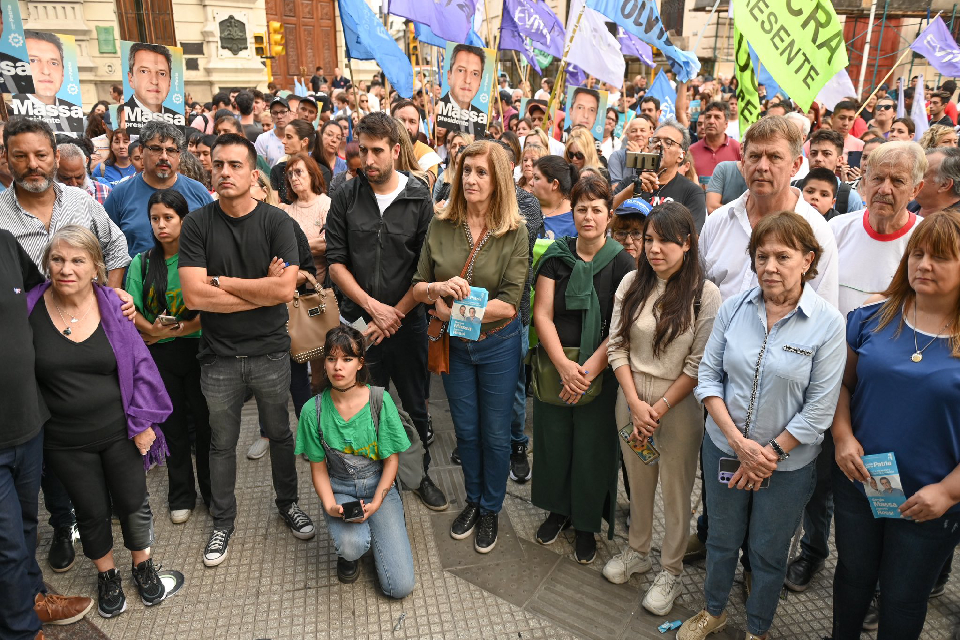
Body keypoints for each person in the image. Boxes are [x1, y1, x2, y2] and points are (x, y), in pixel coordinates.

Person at [677, 212, 845, 640]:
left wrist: (768, 454)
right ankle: (713, 610)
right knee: (721, 538)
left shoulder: (828, 323)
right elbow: (708, 378)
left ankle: (758, 628)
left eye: (782, 256)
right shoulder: (733, 308)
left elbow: (819, 410)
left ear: (807, 260)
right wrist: (738, 443)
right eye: (761, 256)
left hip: (785, 466)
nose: (769, 266)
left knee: (768, 551)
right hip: (724, 448)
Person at [783, 142, 926, 596]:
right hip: (827, 381)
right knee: (821, 478)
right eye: (876, 178)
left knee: (882, 485)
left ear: (916, 188)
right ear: (861, 182)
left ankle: (878, 581)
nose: (884, 189)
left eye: (897, 181)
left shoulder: (924, 243)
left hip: (887, 393)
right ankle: (814, 550)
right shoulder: (836, 231)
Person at [178, 133, 316, 567]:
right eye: (218, 164)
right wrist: (262, 289)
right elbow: (194, 297)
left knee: (280, 434)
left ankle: (288, 504)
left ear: (253, 173)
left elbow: (284, 290)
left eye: (235, 165)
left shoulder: (276, 223)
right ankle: (223, 522)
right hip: (218, 358)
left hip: (271, 354)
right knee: (221, 443)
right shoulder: (197, 224)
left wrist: (221, 281)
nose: (224, 172)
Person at [28, 225, 175, 618]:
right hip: (64, 439)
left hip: (119, 430)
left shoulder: (113, 303)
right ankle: (107, 575)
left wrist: (143, 423)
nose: (66, 269)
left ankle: (143, 565)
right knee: (90, 510)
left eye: (78, 260)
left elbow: (140, 366)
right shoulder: (28, 309)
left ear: (96, 266)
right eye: (57, 259)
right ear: (47, 263)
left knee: (132, 501)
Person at [832, 210, 960, 639]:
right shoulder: (872, 317)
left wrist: (948, 492)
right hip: (861, 481)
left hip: (929, 501)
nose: (924, 265)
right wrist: (843, 437)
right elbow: (842, 386)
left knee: (904, 598)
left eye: (940, 257)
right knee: (852, 578)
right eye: (917, 254)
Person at [325, 112, 449, 511]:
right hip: (359, 323)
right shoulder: (346, 196)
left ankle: (419, 474)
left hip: (407, 323)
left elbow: (426, 269)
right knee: (364, 405)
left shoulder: (418, 197)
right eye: (363, 150)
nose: (369, 159)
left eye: (377, 151)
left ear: (396, 150)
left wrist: (394, 313)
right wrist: (372, 309)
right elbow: (336, 264)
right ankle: (373, 479)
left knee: (415, 404)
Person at [604, 202, 721, 615]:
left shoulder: (705, 294)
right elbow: (616, 346)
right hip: (630, 400)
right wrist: (635, 404)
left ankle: (670, 569)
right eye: (649, 239)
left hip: (679, 409)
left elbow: (699, 365)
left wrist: (658, 408)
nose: (653, 249)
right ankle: (637, 551)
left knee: (676, 492)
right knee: (637, 484)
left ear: (687, 243)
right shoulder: (632, 282)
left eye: (664, 241)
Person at [411, 140, 528, 553]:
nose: (471, 179)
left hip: (498, 345)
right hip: (457, 348)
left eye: (482, 172)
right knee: (466, 430)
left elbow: (509, 305)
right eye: (466, 171)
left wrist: (451, 312)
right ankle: (473, 500)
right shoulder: (441, 223)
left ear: (499, 180)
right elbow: (419, 285)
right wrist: (437, 290)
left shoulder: (514, 230)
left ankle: (491, 508)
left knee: (495, 434)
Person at [530, 176, 634, 564]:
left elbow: (622, 327)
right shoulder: (555, 256)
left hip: (601, 370)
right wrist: (563, 366)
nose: (588, 217)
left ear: (609, 214)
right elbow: (542, 314)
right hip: (555, 366)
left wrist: (586, 372)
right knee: (554, 441)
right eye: (581, 209)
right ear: (571, 212)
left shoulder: (623, 263)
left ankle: (587, 524)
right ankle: (558, 510)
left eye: (596, 209)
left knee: (593, 448)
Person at [0, 227, 96, 638]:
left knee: (25, 528)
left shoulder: (4, 242)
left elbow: (46, 292)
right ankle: (21, 630)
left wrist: (106, 300)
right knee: (6, 545)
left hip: (27, 421)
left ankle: (32, 598)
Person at [294, 325, 416, 594]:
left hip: (379, 485)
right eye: (331, 358)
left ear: (360, 363)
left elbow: (391, 462)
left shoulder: (380, 400)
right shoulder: (312, 411)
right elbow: (318, 469)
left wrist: (377, 503)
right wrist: (330, 505)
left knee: (400, 587)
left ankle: (379, 528)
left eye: (347, 359)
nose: (338, 366)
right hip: (341, 488)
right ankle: (349, 553)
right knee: (352, 545)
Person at [125, 189, 210, 526]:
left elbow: (210, 308)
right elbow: (131, 311)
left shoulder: (199, 259)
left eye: (168, 218)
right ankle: (181, 495)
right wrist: (155, 331)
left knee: (205, 425)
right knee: (173, 428)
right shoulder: (142, 262)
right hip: (160, 356)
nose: (161, 225)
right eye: (155, 219)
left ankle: (212, 493)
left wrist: (172, 330)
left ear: (183, 220)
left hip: (199, 351)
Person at [699, 115, 839, 306]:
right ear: (743, 162)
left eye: (775, 157)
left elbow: (823, 311)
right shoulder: (718, 221)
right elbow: (697, 294)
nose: (762, 167)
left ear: (795, 166)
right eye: (754, 156)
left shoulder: (817, 231)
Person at [104, 122, 213, 257]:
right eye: (156, 149)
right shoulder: (120, 194)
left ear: (179, 155)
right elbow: (104, 247)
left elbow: (213, 242)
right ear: (141, 151)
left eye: (171, 150)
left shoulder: (198, 192)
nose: (164, 157)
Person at [634, 120, 707, 232]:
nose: (659, 145)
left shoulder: (692, 192)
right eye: (655, 140)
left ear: (681, 155)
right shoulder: (630, 183)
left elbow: (693, 236)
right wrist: (634, 187)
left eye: (668, 142)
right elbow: (609, 218)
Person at [11, 32, 82, 135]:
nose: (46, 71)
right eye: (33, 60)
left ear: (62, 74)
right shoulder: (10, 114)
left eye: (54, 63)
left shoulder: (75, 113)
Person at [280, 153, 330, 284]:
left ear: (312, 175)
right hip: (295, 285)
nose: (293, 178)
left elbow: (326, 244)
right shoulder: (287, 212)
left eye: (298, 172)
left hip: (322, 286)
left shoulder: (326, 205)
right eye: (290, 174)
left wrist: (294, 248)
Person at [797, 129, 865, 214]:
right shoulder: (795, 188)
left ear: (839, 160)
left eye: (826, 154)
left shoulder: (850, 198)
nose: (818, 158)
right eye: (813, 153)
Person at [122, 42, 184, 137]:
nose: (155, 81)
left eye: (162, 73)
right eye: (144, 71)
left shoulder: (178, 120)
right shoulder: (122, 118)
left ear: (169, 82)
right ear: (131, 79)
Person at [436, 44, 489, 137]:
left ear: (480, 82)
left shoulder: (481, 118)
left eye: (475, 74)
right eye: (461, 70)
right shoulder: (438, 113)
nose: (467, 80)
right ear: (449, 76)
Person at [690, 101, 741, 186]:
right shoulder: (691, 151)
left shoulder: (738, 149)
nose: (711, 121)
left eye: (717, 117)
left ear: (726, 124)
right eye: (708, 117)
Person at [391, 99, 441, 180]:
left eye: (412, 122)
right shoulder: (383, 148)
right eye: (401, 120)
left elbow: (425, 183)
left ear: (418, 125)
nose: (406, 127)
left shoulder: (427, 154)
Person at [270, 119, 316, 205]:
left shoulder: (319, 170)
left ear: (305, 141)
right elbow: (273, 205)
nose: (283, 141)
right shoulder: (278, 170)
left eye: (289, 137)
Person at [531, 156, 578, 239]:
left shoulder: (576, 217)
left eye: (536, 178)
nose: (531, 183)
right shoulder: (523, 209)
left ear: (555, 184)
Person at [608, 115, 656, 190]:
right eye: (634, 131)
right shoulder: (617, 156)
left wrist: (639, 157)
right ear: (627, 135)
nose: (638, 134)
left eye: (642, 130)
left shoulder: (655, 156)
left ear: (651, 133)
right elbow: (615, 189)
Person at [916, 146, 960, 217]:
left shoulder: (955, 222)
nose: (912, 177)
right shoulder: (908, 205)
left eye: (921, 174)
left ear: (944, 184)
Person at [256, 96, 292, 168]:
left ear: (289, 113)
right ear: (271, 116)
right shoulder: (262, 139)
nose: (279, 116)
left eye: (283, 112)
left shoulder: (298, 138)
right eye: (275, 113)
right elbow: (261, 169)